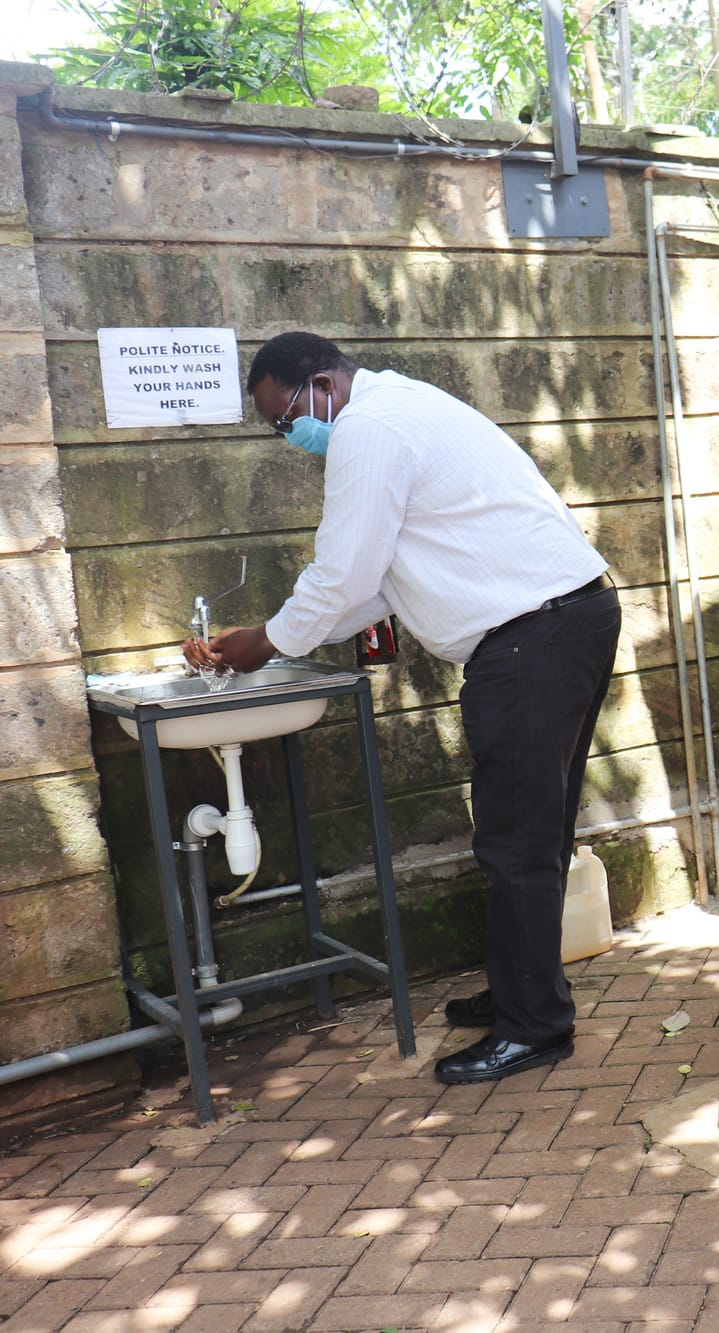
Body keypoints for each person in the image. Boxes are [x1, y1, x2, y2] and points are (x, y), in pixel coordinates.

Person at [184, 332, 620, 1087]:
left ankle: (535, 1026)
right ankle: (528, 990)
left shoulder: (368, 428)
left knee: (517, 841)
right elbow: (374, 582)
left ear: (322, 383)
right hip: (566, 619)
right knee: (535, 830)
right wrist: (280, 636)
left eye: (286, 419)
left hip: (532, 637)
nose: (291, 437)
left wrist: (264, 641)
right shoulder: (401, 405)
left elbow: (342, 570)